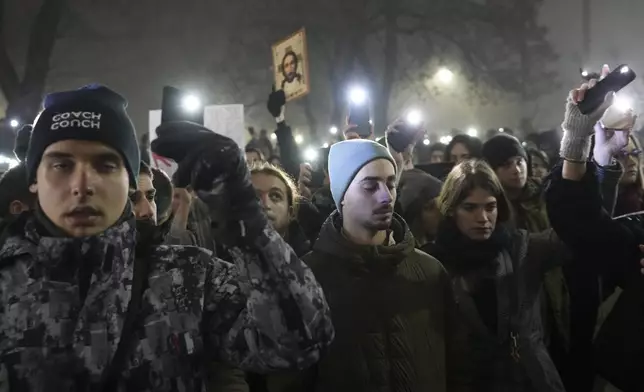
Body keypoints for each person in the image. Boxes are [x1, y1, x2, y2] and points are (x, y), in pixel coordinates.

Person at [0, 85, 334, 391]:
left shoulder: (187, 277)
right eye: (61, 164)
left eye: (105, 165)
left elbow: (300, 342)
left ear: (131, 181)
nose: (82, 184)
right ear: (34, 180)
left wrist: (245, 219)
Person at [288, 139, 466, 392]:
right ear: (342, 196)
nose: (386, 196)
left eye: (391, 184)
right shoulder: (307, 278)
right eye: (370, 186)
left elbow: (457, 361)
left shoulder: (429, 271)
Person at [430, 159, 567, 391]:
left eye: (490, 207)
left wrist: (599, 162)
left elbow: (579, 233)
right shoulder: (433, 263)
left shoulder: (522, 249)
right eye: (470, 207)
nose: (483, 218)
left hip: (531, 381)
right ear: (451, 208)